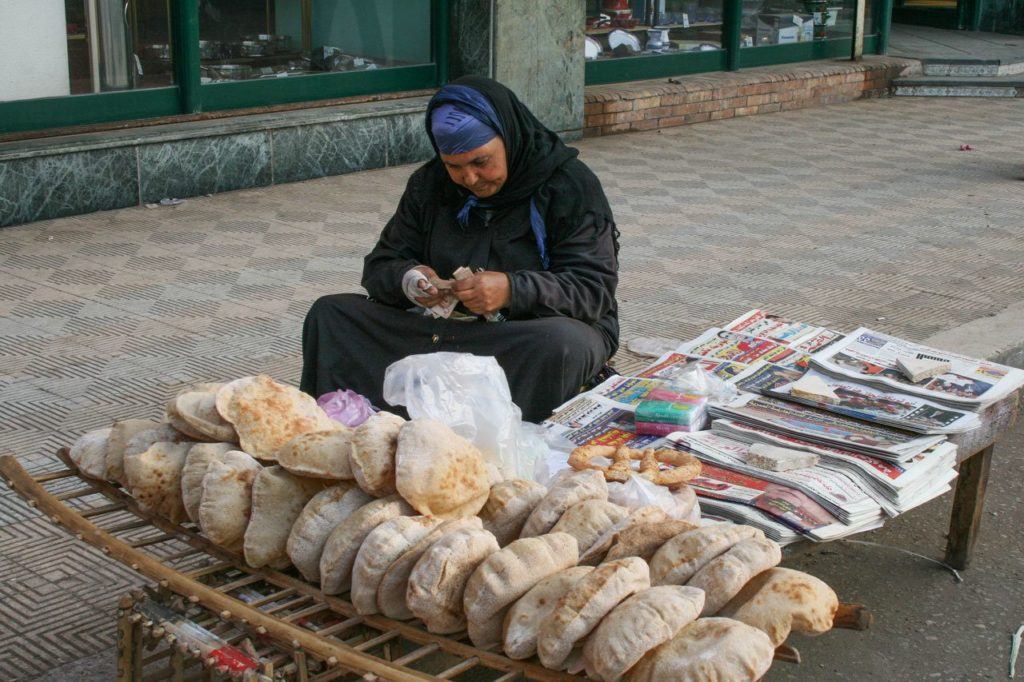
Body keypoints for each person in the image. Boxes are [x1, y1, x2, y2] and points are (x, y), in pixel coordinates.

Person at [300, 76, 620, 422]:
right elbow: (381, 264)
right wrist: (409, 280)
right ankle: (346, 424)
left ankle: (511, 444)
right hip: (445, 330)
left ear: (508, 138)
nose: (469, 179)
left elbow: (592, 289)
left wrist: (512, 290)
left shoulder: (569, 186)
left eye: (481, 162)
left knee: (559, 344)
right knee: (331, 315)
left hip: (520, 334)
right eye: (455, 166)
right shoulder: (430, 183)